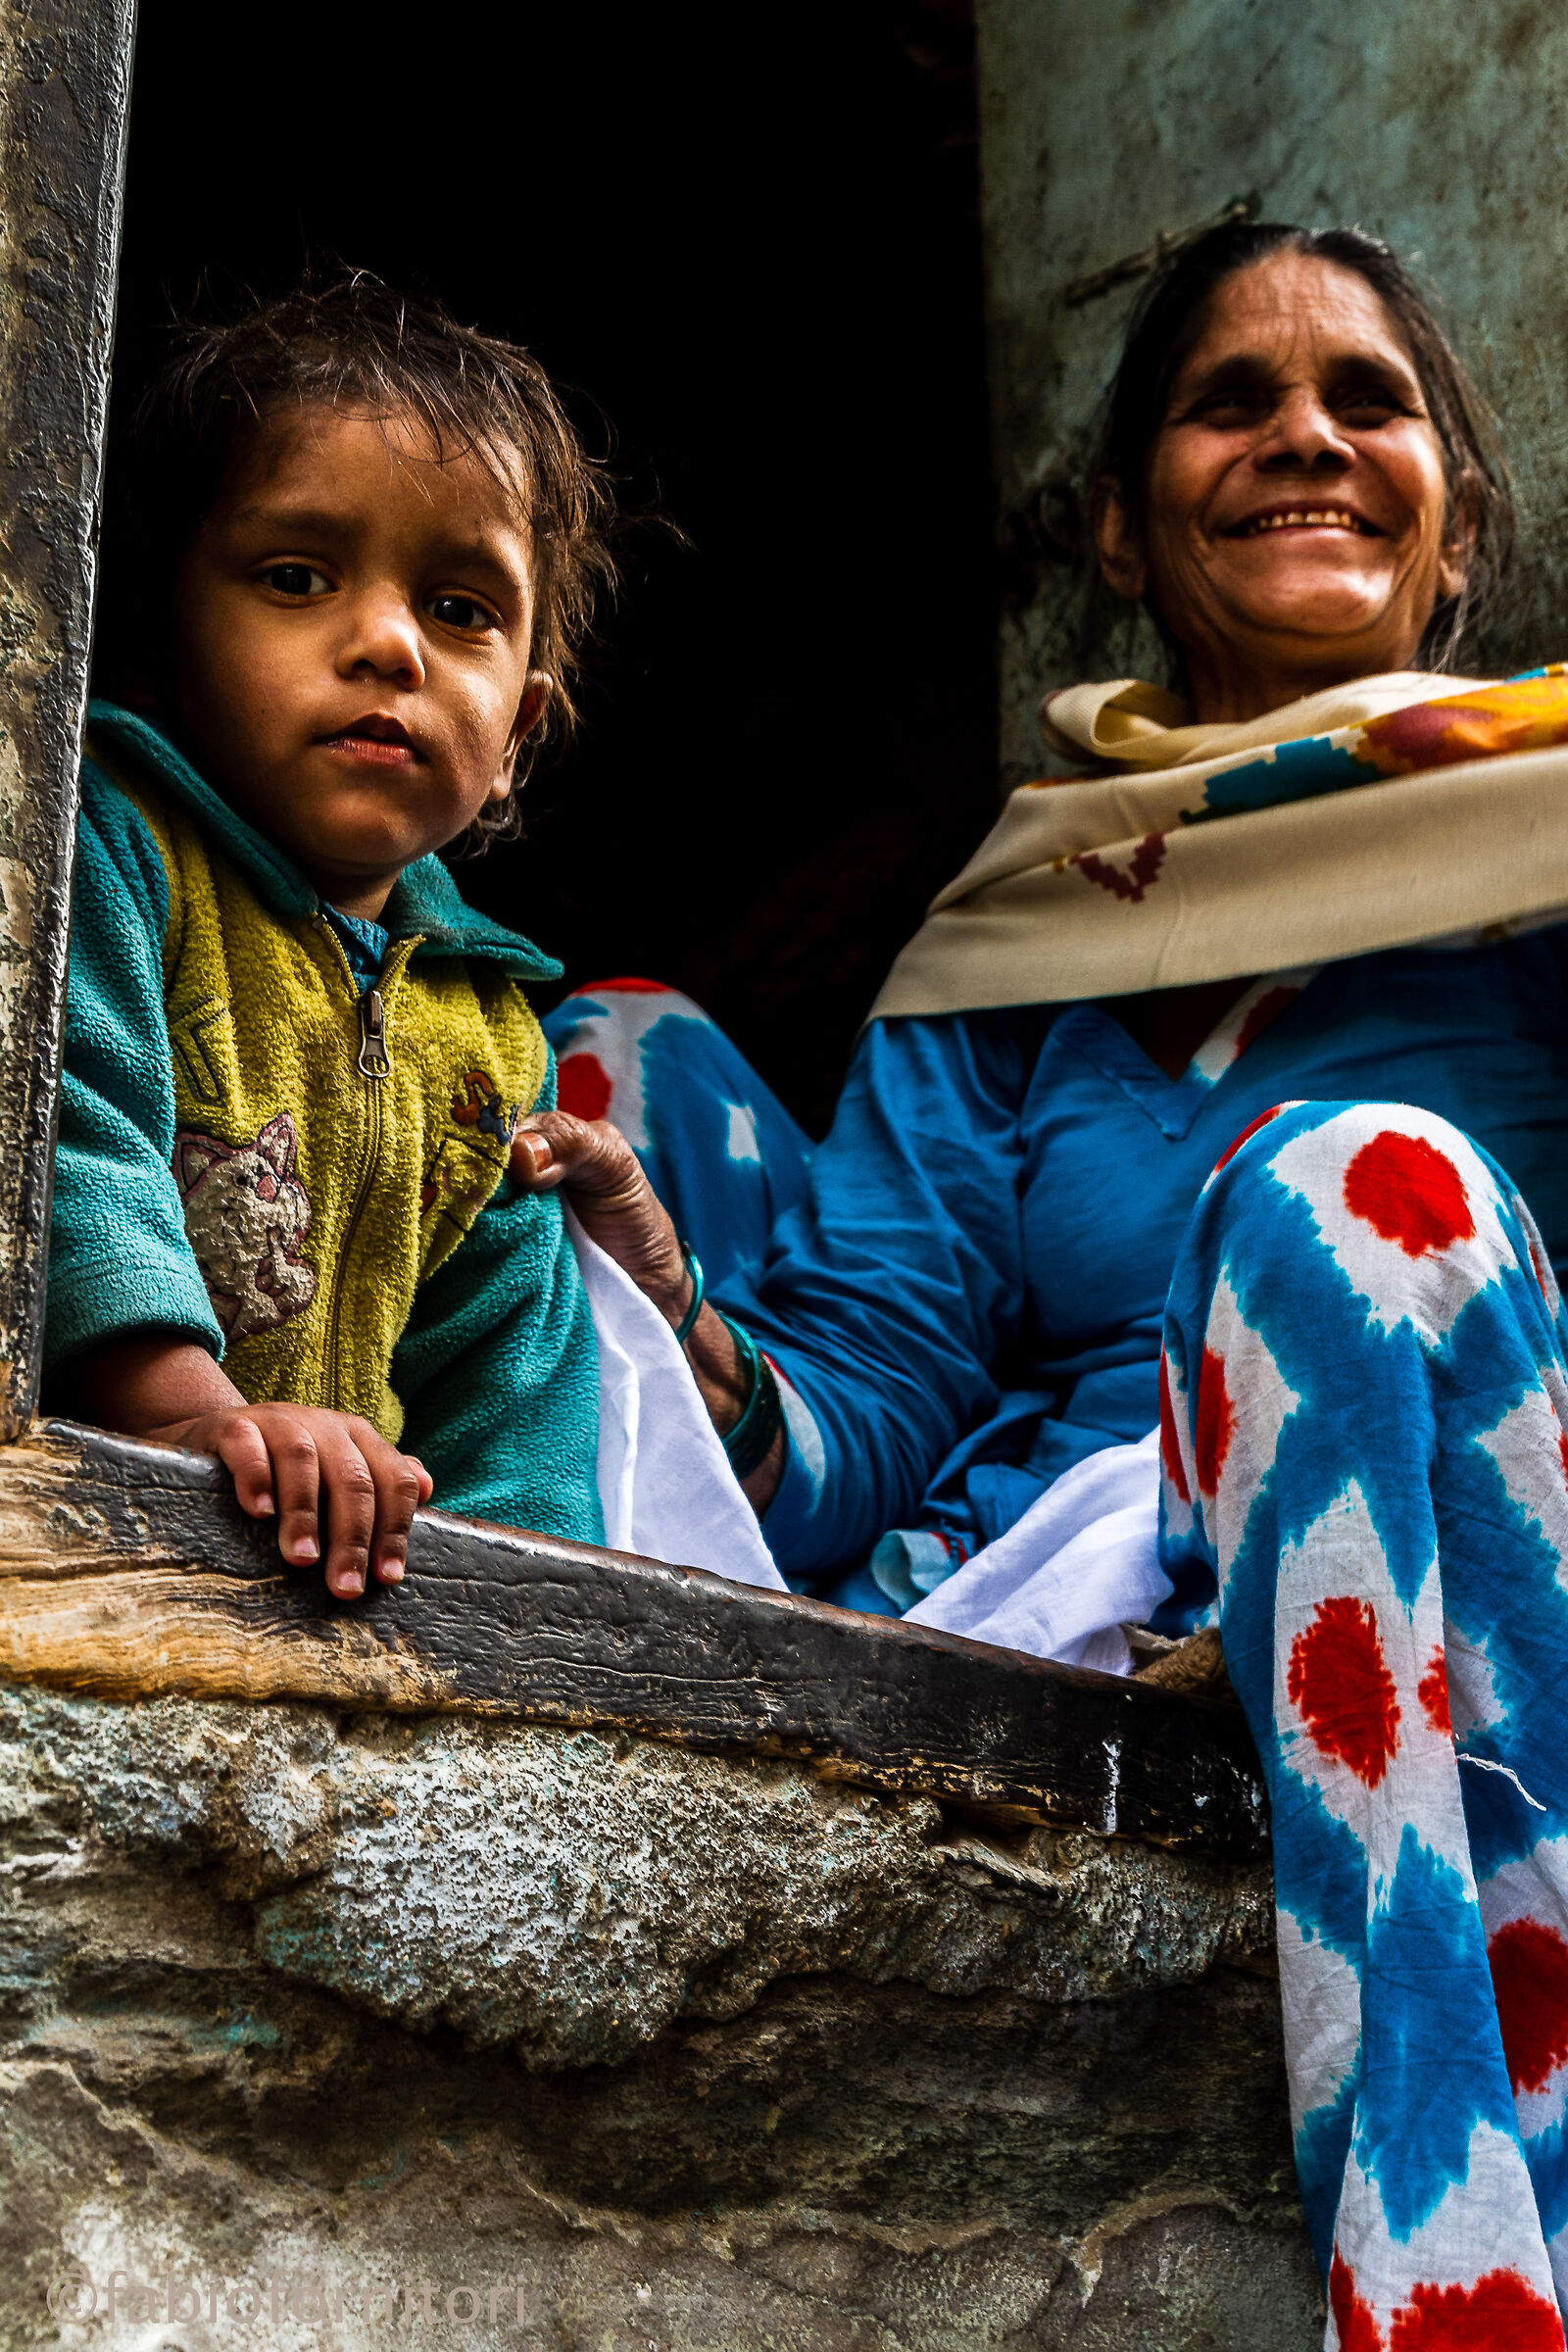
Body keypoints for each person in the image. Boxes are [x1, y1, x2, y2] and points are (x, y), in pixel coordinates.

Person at [515, 224, 1568, 2336]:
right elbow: (857, 1405)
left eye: (1365, 401)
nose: (1303, 436)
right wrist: (682, 1311)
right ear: (1112, 523)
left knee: (1353, 1195)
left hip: (1463, 1581)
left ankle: (1459, 2267)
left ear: (1451, 526)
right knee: (602, 1047)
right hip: (1064, 1571)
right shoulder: (1023, 936)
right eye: (1228, 399)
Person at [42, 280, 619, 1599]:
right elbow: (71, 1141)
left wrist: (527, 1608)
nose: (386, 644)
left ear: (520, 729)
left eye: (463, 608)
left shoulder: (491, 1032)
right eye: (297, 578)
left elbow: (512, 1375)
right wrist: (186, 1415)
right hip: (104, 1535)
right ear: (165, 637)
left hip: (350, 1584)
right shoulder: (109, 851)